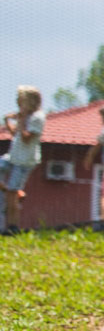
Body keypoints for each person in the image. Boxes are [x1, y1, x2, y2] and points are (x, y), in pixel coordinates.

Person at [0, 85, 45, 233]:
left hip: (24, 161)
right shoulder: (25, 116)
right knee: (11, 191)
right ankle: (14, 191)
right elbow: (15, 134)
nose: (18, 104)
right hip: (13, 157)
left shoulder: (37, 117)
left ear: (29, 101)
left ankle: (13, 227)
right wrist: (8, 121)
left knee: (11, 194)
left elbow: (26, 139)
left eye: (21, 100)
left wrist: (22, 118)